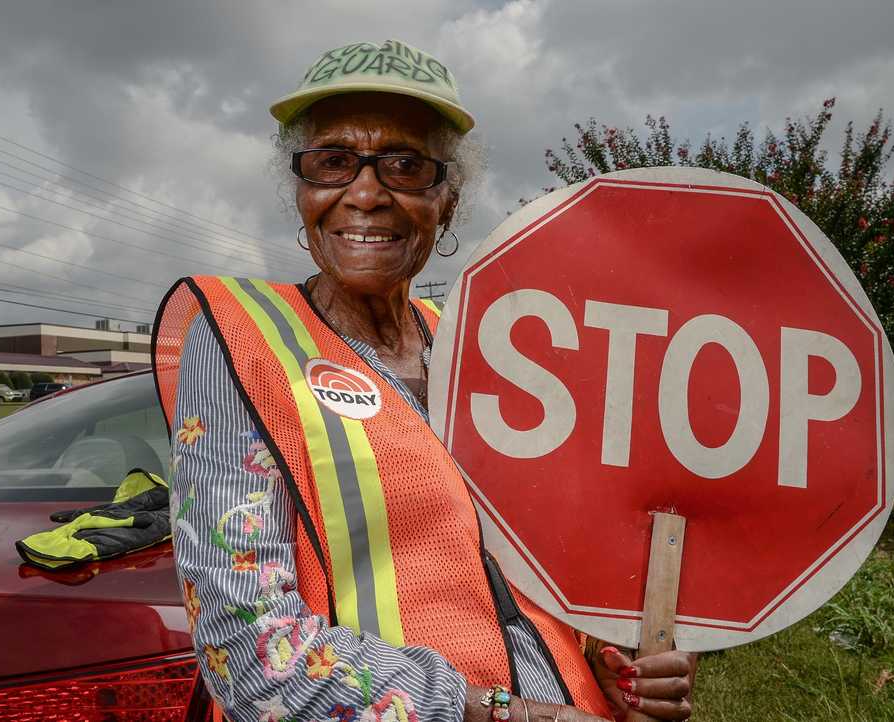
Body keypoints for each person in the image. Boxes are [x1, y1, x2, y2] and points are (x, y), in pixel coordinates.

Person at [152, 40, 695, 722]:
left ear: (447, 198)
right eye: (332, 161)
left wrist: (609, 659)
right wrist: (503, 712)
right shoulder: (242, 341)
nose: (367, 192)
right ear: (303, 189)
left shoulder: (486, 345)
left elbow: (532, 567)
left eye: (405, 165)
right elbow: (252, 657)